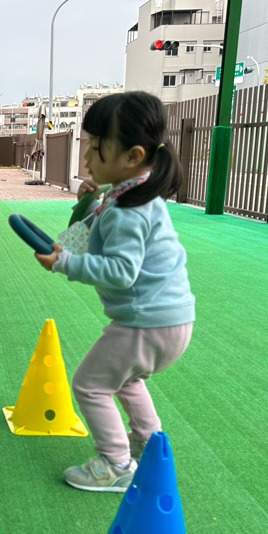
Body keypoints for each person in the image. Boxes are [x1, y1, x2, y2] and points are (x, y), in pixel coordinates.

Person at [34, 91, 194, 492]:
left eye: (95, 146)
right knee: (125, 379)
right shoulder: (130, 194)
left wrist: (65, 263)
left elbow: (121, 272)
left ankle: (116, 463)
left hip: (145, 323)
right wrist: (87, 205)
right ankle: (148, 446)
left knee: (89, 384)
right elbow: (88, 235)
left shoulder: (127, 209)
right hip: (169, 321)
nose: (86, 156)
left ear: (132, 156)